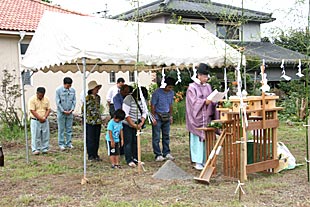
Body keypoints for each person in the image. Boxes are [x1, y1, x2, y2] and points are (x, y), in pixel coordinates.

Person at [186, 63, 217, 170]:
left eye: (207, 76)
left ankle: (205, 160)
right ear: (198, 75)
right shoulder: (192, 87)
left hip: (207, 117)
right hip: (196, 118)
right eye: (204, 76)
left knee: (206, 140)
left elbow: (211, 98)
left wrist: (215, 100)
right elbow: (193, 102)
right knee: (197, 140)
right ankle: (197, 161)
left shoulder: (208, 86)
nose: (206, 78)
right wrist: (205, 102)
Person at [151, 77, 175, 162]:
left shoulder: (171, 93)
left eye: (171, 87)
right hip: (158, 117)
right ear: (165, 85)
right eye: (169, 87)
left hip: (167, 116)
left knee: (166, 136)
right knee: (156, 137)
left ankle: (166, 152)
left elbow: (170, 105)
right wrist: (153, 117)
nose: (170, 89)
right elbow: (153, 106)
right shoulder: (157, 93)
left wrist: (171, 116)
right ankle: (158, 154)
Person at [122, 87, 148, 167]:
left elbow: (145, 112)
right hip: (127, 124)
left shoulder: (144, 101)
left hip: (138, 123)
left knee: (136, 142)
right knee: (128, 142)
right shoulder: (128, 99)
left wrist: (141, 123)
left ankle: (136, 158)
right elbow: (126, 113)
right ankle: (129, 159)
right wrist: (133, 124)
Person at [83, 80, 103, 161]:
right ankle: (91, 155)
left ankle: (95, 153)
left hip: (97, 120)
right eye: (96, 88)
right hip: (90, 121)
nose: (97, 90)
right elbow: (84, 109)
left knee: (96, 138)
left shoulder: (98, 97)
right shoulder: (87, 98)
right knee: (90, 138)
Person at [28, 87, 51, 155]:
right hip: (35, 120)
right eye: (39, 95)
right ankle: (35, 149)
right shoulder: (32, 99)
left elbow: (48, 109)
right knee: (35, 135)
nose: (41, 97)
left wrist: (44, 117)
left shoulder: (46, 99)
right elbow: (32, 110)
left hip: (44, 119)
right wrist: (39, 118)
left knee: (45, 134)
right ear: (37, 93)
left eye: (42, 95)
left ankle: (45, 148)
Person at [56, 77, 76, 150]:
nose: (69, 87)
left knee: (69, 128)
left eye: (70, 85)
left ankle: (69, 143)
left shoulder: (72, 91)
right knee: (61, 129)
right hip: (61, 113)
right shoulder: (58, 90)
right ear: (64, 84)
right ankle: (61, 143)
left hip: (69, 112)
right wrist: (62, 110)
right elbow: (58, 102)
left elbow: (74, 101)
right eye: (68, 85)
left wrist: (72, 109)